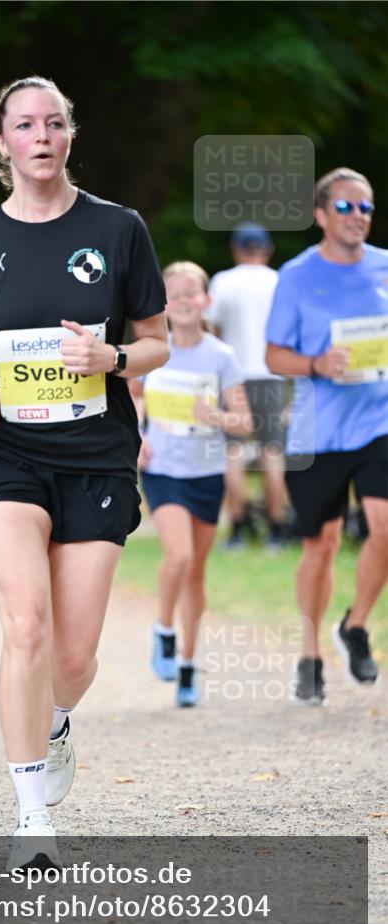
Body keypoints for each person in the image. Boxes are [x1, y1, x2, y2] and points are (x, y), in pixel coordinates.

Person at [0, 76, 168, 867]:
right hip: (5, 453)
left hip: (95, 454)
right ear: (2, 142)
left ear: (69, 135)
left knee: (71, 656)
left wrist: (113, 357)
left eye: (53, 122)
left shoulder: (118, 229)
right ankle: (31, 818)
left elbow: (158, 341)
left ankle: (56, 720)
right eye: (24, 124)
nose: (40, 136)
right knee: (24, 624)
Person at [266, 167, 388, 706]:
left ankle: (355, 626)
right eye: (345, 207)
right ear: (320, 215)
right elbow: (274, 356)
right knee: (322, 545)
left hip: (378, 421)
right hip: (317, 432)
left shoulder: (386, 267)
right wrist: (317, 362)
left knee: (384, 527)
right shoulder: (295, 275)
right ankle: (311, 650)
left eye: (364, 208)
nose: (357, 216)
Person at [132, 262, 252, 706]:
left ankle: (187, 664)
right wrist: (137, 435)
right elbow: (133, 398)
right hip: (164, 472)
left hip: (207, 473)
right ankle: (163, 630)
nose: (182, 301)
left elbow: (244, 423)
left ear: (206, 301)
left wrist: (217, 417)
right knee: (178, 556)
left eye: (191, 293)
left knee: (196, 573)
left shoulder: (221, 356)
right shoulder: (152, 350)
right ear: (162, 303)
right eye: (173, 294)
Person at [206, 223, 286, 550]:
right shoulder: (279, 281)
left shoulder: (224, 281)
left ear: (237, 249)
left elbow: (212, 329)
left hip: (234, 375)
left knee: (233, 451)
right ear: (266, 249)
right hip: (271, 373)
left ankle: (238, 528)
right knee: (273, 452)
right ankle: (277, 529)